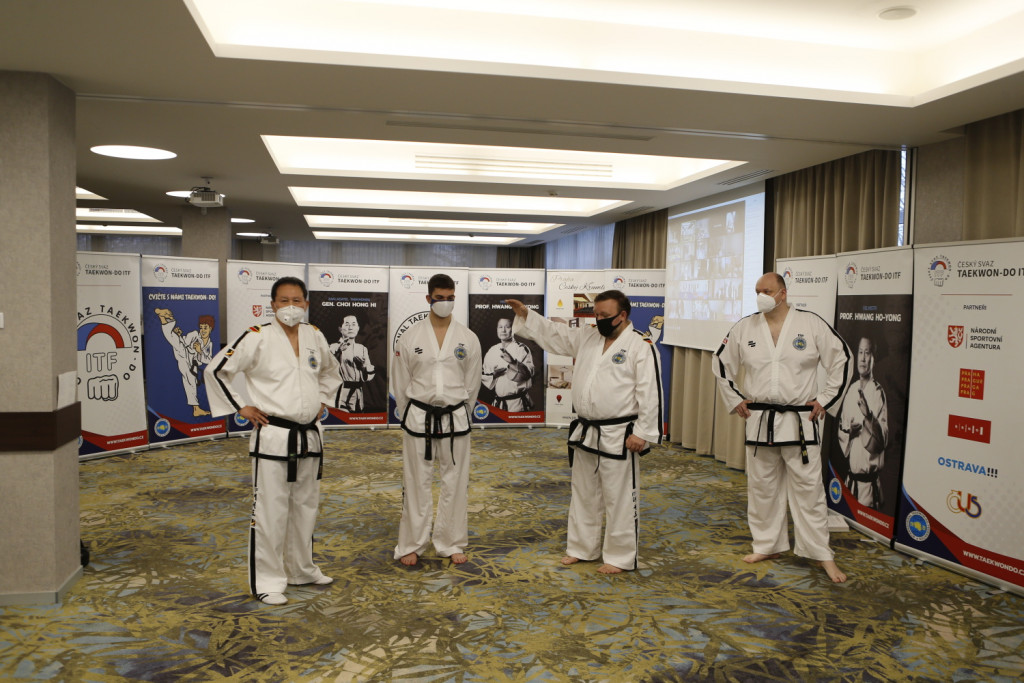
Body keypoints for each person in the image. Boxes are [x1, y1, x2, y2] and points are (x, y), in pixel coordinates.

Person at [204, 276, 341, 605]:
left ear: (306, 304)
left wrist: (324, 399)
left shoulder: (314, 335)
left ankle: (301, 570)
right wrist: (241, 406)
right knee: (270, 511)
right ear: (272, 304)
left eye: (297, 300)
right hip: (274, 435)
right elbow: (217, 370)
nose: (290, 306)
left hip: (309, 435)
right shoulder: (257, 336)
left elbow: (330, 370)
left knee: (305, 507)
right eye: (284, 300)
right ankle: (266, 581)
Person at [506, 290, 663, 574]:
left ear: (622, 315)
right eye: (596, 314)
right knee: (583, 492)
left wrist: (642, 432)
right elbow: (556, 334)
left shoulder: (641, 345)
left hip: (620, 432)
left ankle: (619, 557)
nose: (598, 319)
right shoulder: (589, 337)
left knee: (619, 496)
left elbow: (651, 392)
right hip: (586, 430)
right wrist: (527, 315)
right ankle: (581, 548)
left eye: (605, 315)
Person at [712, 272, 851, 583]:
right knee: (762, 486)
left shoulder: (811, 324)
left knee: (809, 490)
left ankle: (821, 553)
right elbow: (720, 362)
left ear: (783, 293)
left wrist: (825, 399)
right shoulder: (745, 327)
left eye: (767, 290)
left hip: (801, 420)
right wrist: (735, 397)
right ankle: (767, 544)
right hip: (760, 419)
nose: (761, 296)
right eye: (757, 290)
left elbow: (842, 358)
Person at [392, 273, 482, 567]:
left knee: (456, 482)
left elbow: (472, 383)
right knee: (416, 481)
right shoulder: (410, 336)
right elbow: (400, 381)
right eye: (439, 298)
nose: (445, 302)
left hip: (455, 417)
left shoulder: (467, 337)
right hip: (419, 416)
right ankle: (412, 543)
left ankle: (451, 541)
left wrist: (464, 412)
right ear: (428, 298)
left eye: (450, 297)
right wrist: (408, 413)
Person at [837, 336, 889, 510]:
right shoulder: (851, 390)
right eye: (860, 352)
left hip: (869, 487)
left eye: (867, 353)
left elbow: (881, 441)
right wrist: (849, 432)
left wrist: (868, 417)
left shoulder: (878, 392)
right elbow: (841, 431)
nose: (863, 358)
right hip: (851, 483)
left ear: (874, 357)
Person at [154, 308, 214, 417]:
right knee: (176, 342)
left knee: (191, 382)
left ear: (210, 328)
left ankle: (163, 318)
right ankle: (167, 319)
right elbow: (184, 342)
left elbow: (209, 359)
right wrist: (179, 335)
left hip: (193, 363)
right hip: (185, 354)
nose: (203, 330)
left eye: (205, 328)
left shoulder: (209, 344)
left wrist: (199, 351)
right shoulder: (194, 334)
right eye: (201, 328)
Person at [481, 317, 535, 411]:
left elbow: (528, 374)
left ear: (513, 329)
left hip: (518, 404)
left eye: (507, 327)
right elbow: (483, 374)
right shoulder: (492, 350)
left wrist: (513, 363)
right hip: (499, 404)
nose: (503, 330)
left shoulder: (522, 349)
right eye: (500, 327)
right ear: (497, 330)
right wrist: (494, 375)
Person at [329, 313, 376, 412]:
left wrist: (363, 367)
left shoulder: (362, 349)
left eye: (354, 324)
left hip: (359, 393)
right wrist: (339, 352)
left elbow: (369, 376)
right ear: (340, 328)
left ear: (358, 328)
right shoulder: (333, 347)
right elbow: (328, 369)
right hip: (341, 393)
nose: (350, 327)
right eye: (347, 324)